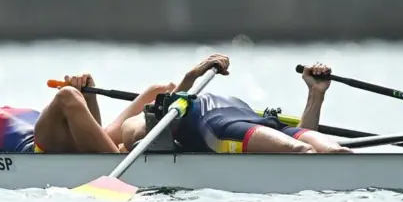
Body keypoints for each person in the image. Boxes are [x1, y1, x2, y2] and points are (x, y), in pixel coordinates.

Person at [0, 60, 175, 154]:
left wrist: (88, 95)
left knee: (158, 91)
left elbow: (90, 131)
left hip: (70, 141)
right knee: (67, 96)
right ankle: (120, 157)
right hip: (37, 150)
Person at [120, 54, 353, 154]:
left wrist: (316, 94)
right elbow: (147, 131)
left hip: (262, 122)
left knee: (336, 151)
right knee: (302, 151)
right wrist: (192, 74)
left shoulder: (183, 100)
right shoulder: (139, 123)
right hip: (223, 130)